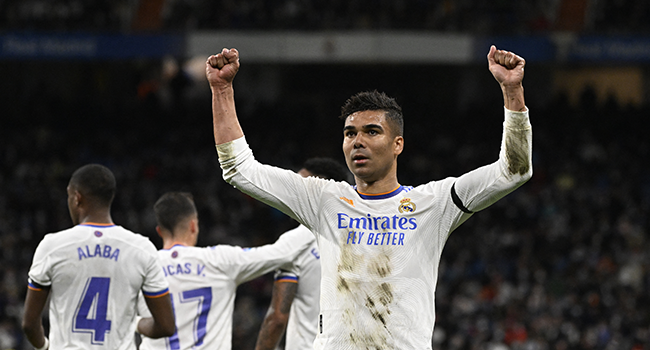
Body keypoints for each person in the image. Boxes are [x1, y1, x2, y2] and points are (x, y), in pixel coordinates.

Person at [206, 45, 532, 349]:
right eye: (350, 133)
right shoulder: (324, 199)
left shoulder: (434, 203)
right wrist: (222, 90)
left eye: (371, 131)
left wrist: (512, 92)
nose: (357, 141)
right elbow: (239, 169)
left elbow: (512, 171)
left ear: (398, 144)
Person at [138, 184, 332, 350]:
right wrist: (319, 214)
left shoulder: (142, 268)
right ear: (193, 226)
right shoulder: (220, 260)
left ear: (159, 231)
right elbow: (283, 252)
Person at [22, 164, 175, 350]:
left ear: (77, 198)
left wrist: (45, 346)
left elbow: (29, 324)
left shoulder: (53, 246)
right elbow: (166, 326)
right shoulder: (141, 248)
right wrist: (134, 323)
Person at [255, 158, 350, 350]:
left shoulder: (296, 242)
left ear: (320, 189)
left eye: (300, 186)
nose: (292, 194)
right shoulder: (367, 236)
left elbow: (277, 318)